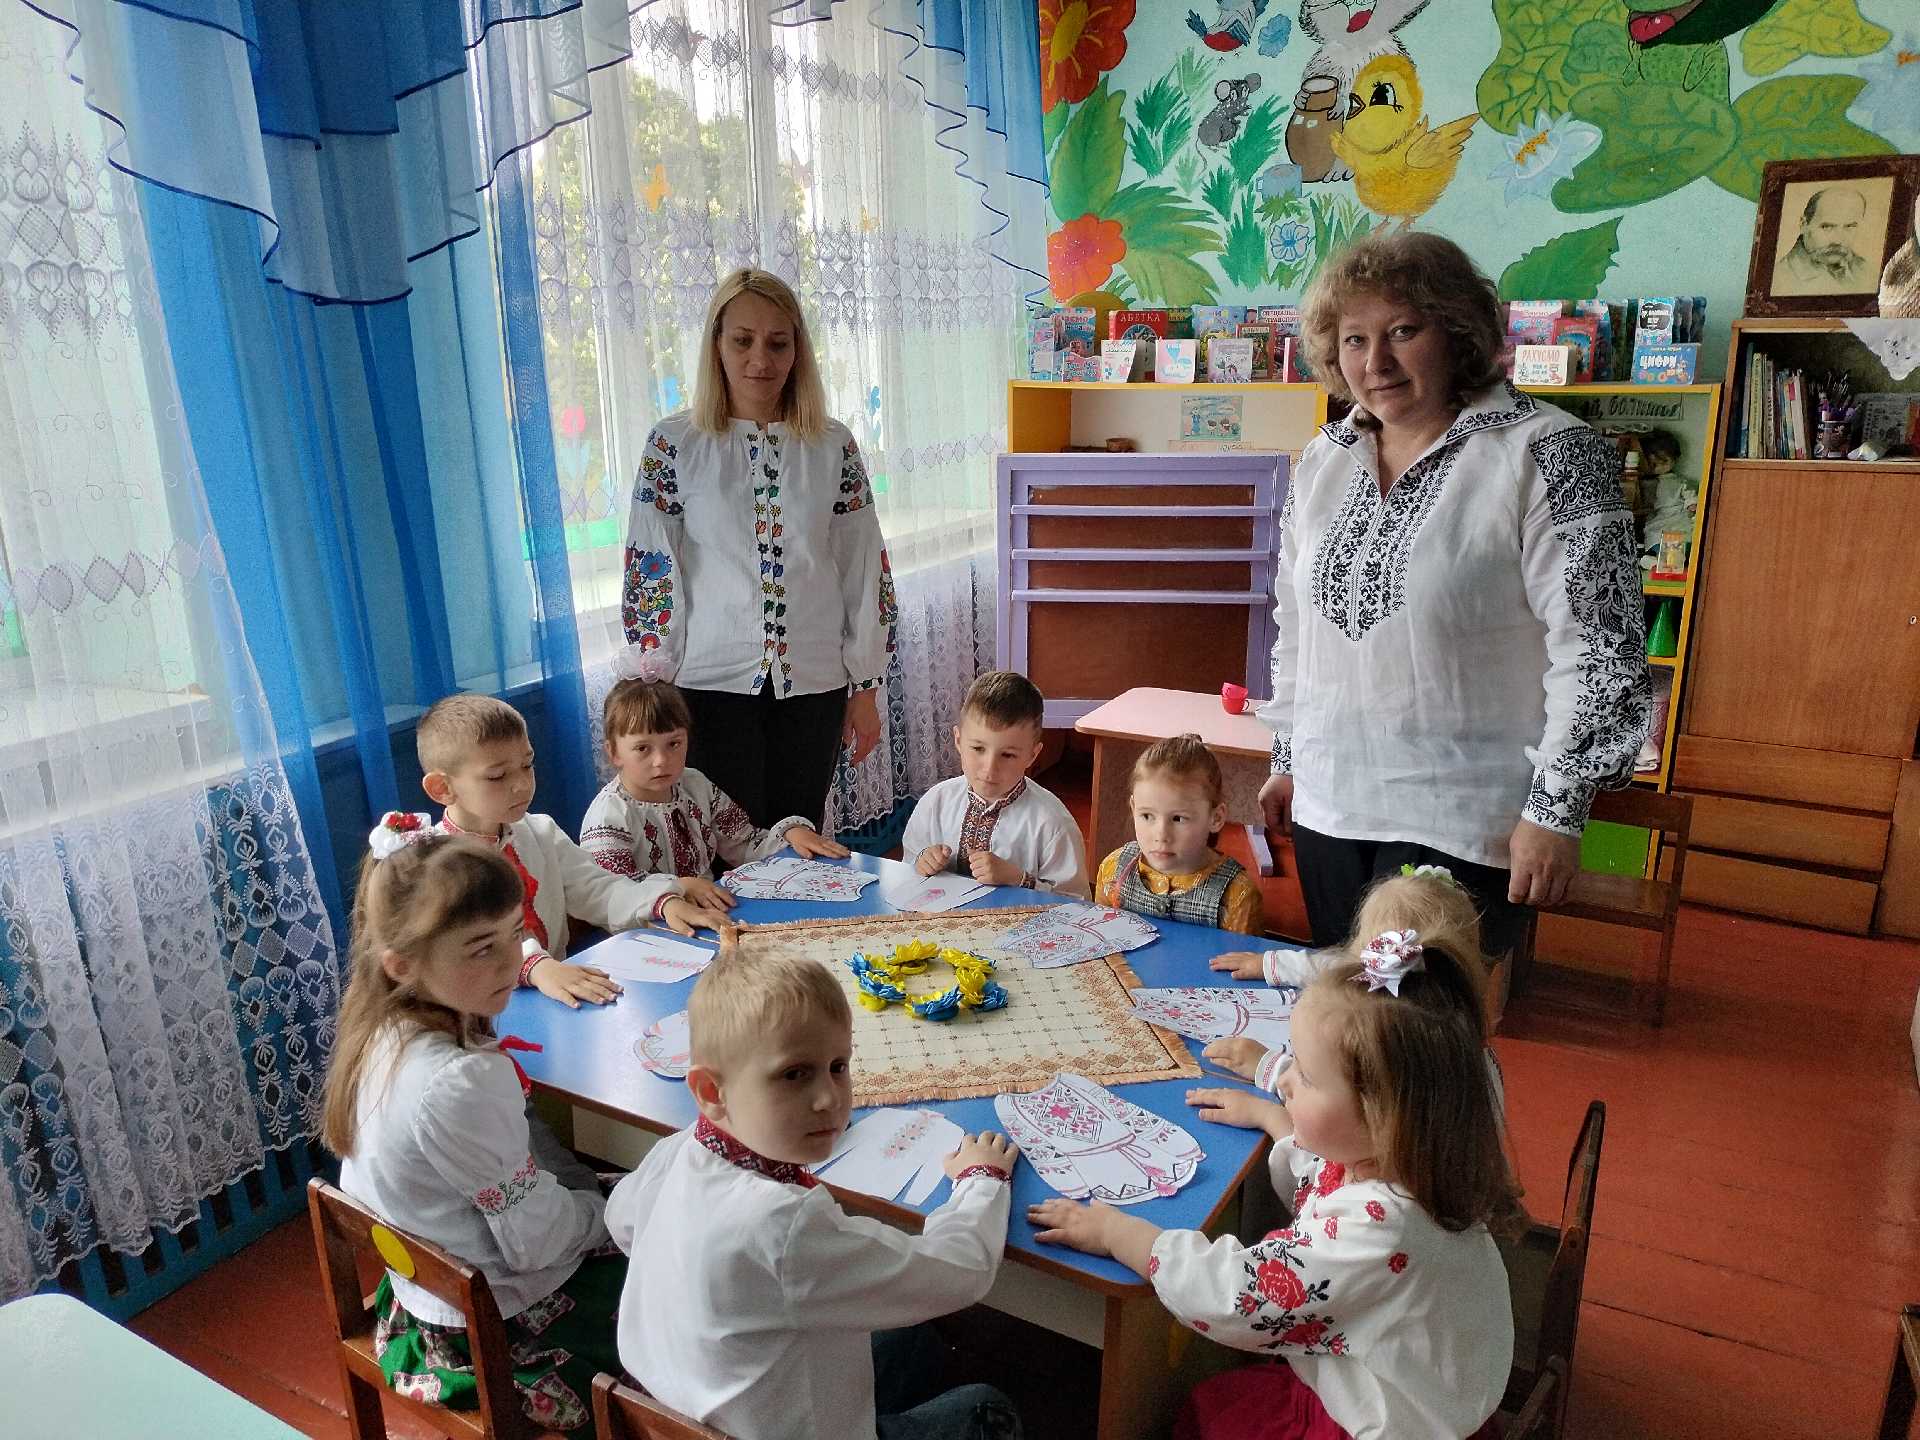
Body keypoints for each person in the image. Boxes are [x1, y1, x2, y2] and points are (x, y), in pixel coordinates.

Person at [1259, 230, 1651, 967]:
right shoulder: (1322, 459)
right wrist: (1288, 755)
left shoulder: (1548, 451)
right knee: (1344, 1014)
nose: (1375, 362)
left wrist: (1558, 810)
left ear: (1458, 332)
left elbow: (1602, 648)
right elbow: (1297, 627)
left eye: (1403, 331)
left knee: (1424, 1023)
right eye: (1354, 339)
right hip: (1331, 801)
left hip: (1466, 816)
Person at [1029, 932, 1517, 1440]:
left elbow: (1235, 1295)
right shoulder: (1417, 1163)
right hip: (1413, 1388)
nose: (1284, 1081)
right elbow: (1327, 1183)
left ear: (1382, 1117)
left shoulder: (1384, 1228)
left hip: (1375, 1422)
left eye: (1305, 1076)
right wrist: (1274, 1118)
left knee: (1212, 1416)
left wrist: (1120, 1235)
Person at [606, 947, 1025, 1440]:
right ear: (712, 1092)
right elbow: (960, 1271)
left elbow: (621, 1220)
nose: (829, 1099)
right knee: (988, 1410)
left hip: (692, 1407)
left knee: (912, 1339)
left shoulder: (677, 1151)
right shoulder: (784, 1226)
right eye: (794, 1074)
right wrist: (981, 1180)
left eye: (838, 1066)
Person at [322, 833, 622, 1433]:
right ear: (402, 964)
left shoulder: (375, 1031)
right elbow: (538, 1242)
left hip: (419, 1302)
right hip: (494, 1339)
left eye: (516, 933)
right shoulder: (458, 1081)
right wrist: (613, 1211)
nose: (511, 962)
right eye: (482, 948)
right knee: (686, 1286)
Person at [621, 267, 896, 831]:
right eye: (742, 341)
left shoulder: (833, 445)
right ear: (716, 344)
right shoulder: (673, 445)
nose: (760, 361)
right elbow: (651, 563)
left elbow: (864, 564)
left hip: (815, 680)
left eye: (778, 343)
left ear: (798, 349)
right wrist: (655, 670)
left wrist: (866, 685)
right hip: (706, 684)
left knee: (799, 836)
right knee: (724, 844)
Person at [1206, 867, 1506, 1118]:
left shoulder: (1401, 1051)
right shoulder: (1455, 1022)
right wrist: (1273, 964)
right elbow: (1335, 966)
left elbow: (1342, 1111)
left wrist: (1272, 1072)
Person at [580, 672, 849, 891]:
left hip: (710, 917)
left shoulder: (695, 785)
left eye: (674, 744)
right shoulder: (609, 816)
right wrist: (678, 890)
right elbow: (615, 894)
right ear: (614, 753)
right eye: (642, 748)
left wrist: (789, 834)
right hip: (645, 933)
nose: (661, 760)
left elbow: (743, 843)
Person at [902, 670, 1089, 898]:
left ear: (1032, 755)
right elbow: (908, 862)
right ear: (958, 740)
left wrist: (1019, 879)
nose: (989, 768)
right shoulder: (936, 801)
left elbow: (1076, 902)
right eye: (978, 748)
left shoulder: (1053, 823)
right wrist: (923, 860)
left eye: (1008, 755)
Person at [1093, 734, 1263, 934]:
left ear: (1216, 818)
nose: (1161, 835)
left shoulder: (1237, 896)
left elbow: (1239, 954)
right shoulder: (1113, 870)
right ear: (1133, 808)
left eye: (1178, 819)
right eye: (1147, 816)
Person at [1772, 187, 1872, 295]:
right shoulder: (1780, 279)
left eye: (1849, 226)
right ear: (1803, 225)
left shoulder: (1867, 272)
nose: (1838, 240)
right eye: (1827, 227)